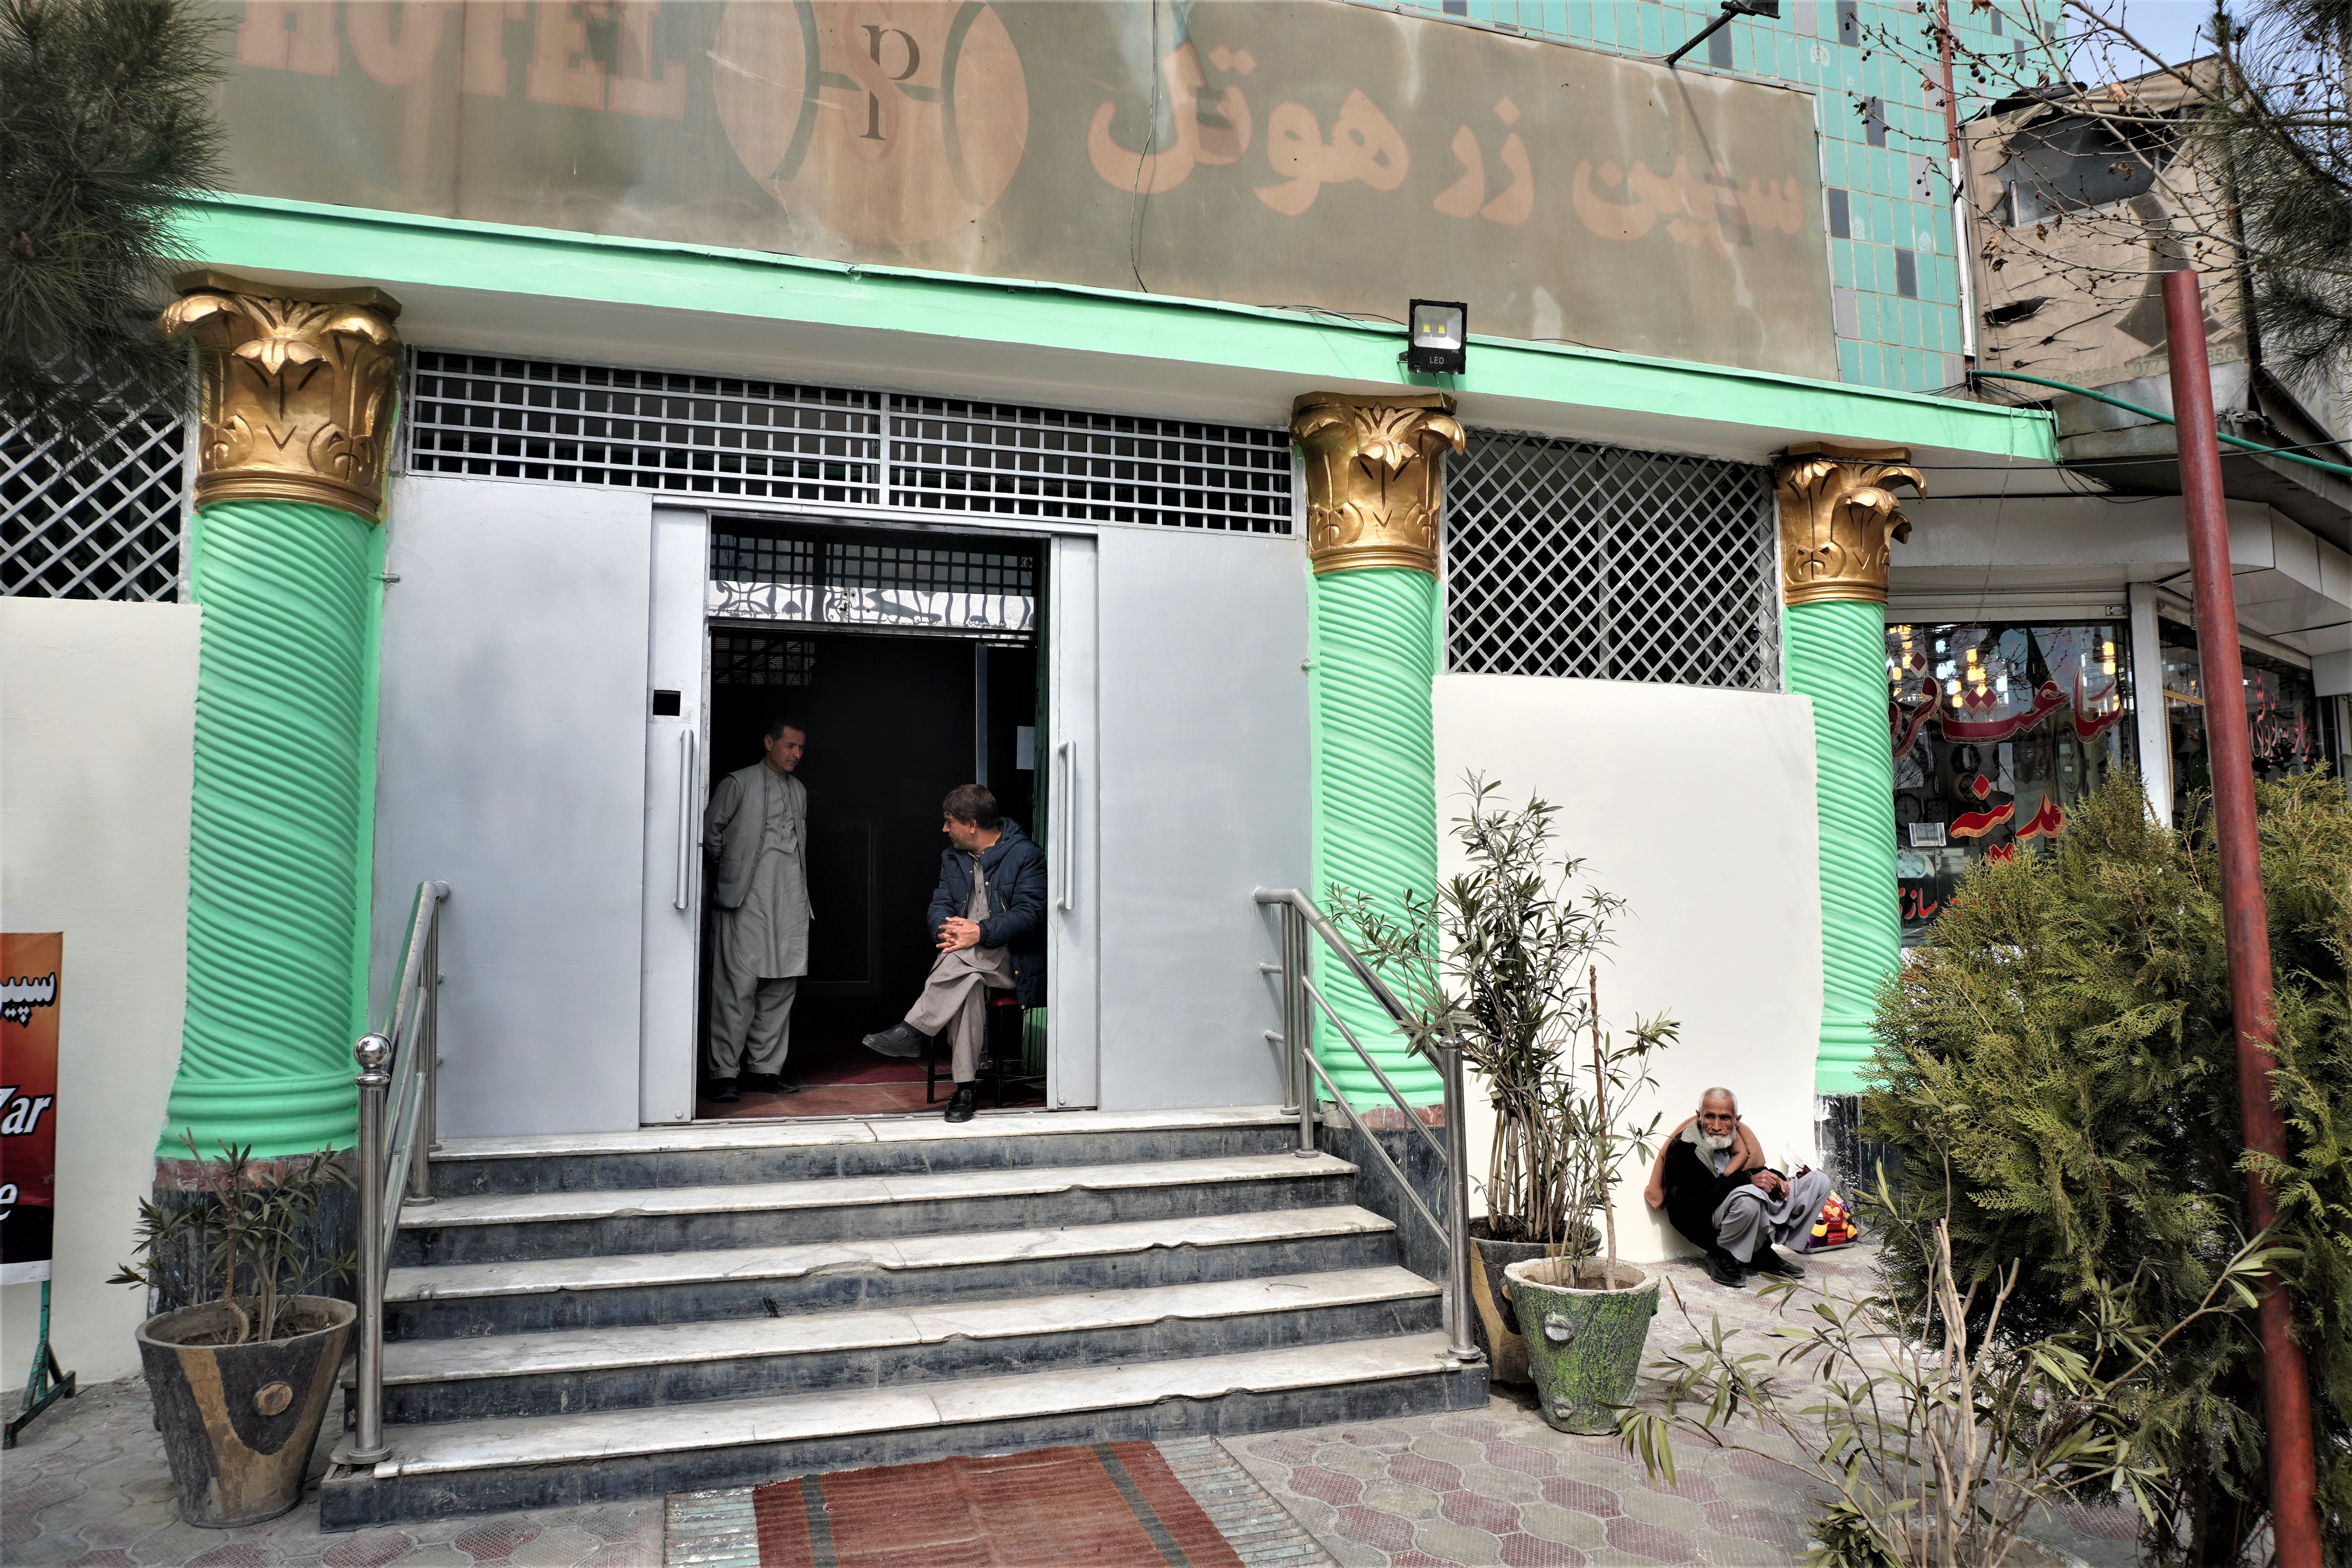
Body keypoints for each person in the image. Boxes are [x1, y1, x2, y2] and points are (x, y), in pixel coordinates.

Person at [859, 784, 1046, 1123]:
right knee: (969, 981)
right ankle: (965, 1090)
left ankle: (913, 1030)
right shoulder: (952, 858)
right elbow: (940, 905)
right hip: (969, 962)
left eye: (949, 822)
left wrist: (981, 932)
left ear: (972, 824)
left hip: (1011, 960)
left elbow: (1031, 914)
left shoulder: (1026, 855)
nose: (945, 829)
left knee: (964, 958)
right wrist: (944, 931)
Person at [701, 717, 811, 1104]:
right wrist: (733, 875)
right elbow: (711, 835)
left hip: (791, 901)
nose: (797, 754)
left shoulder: (799, 791)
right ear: (769, 742)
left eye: (801, 748)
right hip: (745, 901)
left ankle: (764, 1069)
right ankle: (723, 1073)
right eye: (790, 746)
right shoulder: (737, 783)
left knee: (780, 987)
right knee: (736, 988)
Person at [1644, 1087, 1831, 1288]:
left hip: (1743, 1208)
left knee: (1818, 1182)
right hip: (1702, 1219)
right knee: (1749, 1199)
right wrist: (1748, 1180)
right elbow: (1691, 1200)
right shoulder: (1684, 1147)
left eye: (1725, 1118)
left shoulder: (1740, 1143)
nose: (1716, 1126)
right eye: (1710, 1117)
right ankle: (1721, 1256)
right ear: (1699, 1117)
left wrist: (1776, 1180)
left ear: (1736, 1120)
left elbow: (1758, 1171)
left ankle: (1759, 1252)